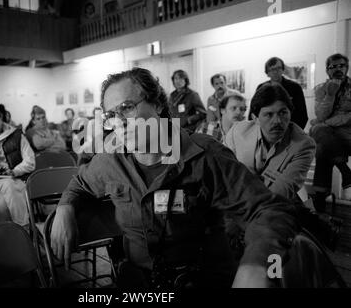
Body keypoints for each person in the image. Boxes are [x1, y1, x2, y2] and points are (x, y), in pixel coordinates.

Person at [51, 68, 300, 288]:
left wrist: (256, 268)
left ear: (158, 105)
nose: (119, 123)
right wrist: (64, 209)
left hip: (205, 278)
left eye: (127, 108)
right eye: (110, 115)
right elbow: (80, 184)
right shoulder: (111, 159)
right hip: (140, 282)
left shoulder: (205, 155)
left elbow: (269, 210)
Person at [225, 83, 315, 201]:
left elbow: (282, 190)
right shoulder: (237, 133)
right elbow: (224, 175)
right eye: (269, 114)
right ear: (255, 118)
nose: (277, 121)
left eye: (283, 113)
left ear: (290, 113)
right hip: (238, 200)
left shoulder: (303, 144)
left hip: (277, 206)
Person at [310, 53, 351, 211]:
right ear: (327, 71)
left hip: (347, 136)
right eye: (333, 67)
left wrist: (326, 123)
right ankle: (345, 170)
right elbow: (321, 114)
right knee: (322, 148)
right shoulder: (321, 89)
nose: (338, 69)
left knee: (319, 131)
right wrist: (330, 94)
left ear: (347, 68)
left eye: (341, 65)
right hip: (329, 139)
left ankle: (319, 206)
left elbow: (323, 120)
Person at [252, 57, 308, 129]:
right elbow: (254, 112)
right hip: (266, 130)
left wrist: (294, 133)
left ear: (283, 70)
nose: (275, 72)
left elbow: (302, 115)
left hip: (290, 130)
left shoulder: (295, 87)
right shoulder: (261, 88)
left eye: (278, 68)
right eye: (272, 69)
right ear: (267, 73)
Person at [168, 70, 206, 134]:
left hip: (188, 130)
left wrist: (189, 119)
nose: (178, 81)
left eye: (181, 78)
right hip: (174, 129)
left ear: (186, 80)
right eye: (176, 78)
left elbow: (203, 113)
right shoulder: (172, 95)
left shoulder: (192, 94)